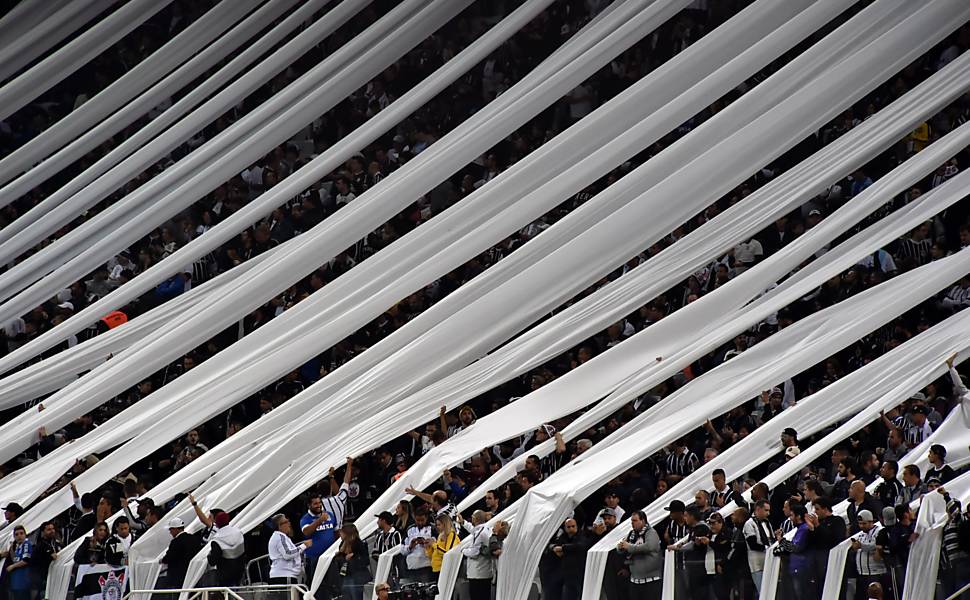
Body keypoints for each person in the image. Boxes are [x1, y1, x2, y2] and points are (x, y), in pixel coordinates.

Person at [617, 510, 662, 599]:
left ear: (643, 520)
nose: (632, 523)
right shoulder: (631, 534)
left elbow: (649, 547)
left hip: (651, 580)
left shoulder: (651, 532)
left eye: (635, 521)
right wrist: (620, 547)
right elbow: (623, 548)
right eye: (631, 521)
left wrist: (629, 547)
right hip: (635, 580)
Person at [300, 494, 336, 591]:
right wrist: (320, 520)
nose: (318, 505)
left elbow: (336, 532)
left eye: (319, 502)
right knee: (317, 587)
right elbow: (306, 532)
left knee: (333, 585)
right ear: (309, 505)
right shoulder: (305, 519)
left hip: (330, 556)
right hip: (314, 558)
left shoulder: (330, 515)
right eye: (315, 503)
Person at [267, 514, 311, 586]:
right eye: (286, 521)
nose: (289, 524)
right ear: (280, 526)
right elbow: (288, 554)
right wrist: (304, 546)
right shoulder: (280, 537)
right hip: (284, 576)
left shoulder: (280, 537)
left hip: (283, 575)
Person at [851, 510, 886, 600]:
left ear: (871, 521)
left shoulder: (880, 531)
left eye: (864, 523)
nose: (861, 526)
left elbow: (876, 546)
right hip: (862, 573)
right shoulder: (860, 534)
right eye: (860, 523)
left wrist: (861, 546)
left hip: (876, 572)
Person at [161, 517, 203, 588]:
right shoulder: (194, 539)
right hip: (193, 575)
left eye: (171, 529)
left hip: (178, 577)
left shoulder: (176, 542)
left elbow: (169, 557)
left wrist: (162, 560)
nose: (170, 532)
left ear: (176, 529)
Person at [461, 510, 494, 600]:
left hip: (478, 574)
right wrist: (463, 522)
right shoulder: (485, 529)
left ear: (475, 519)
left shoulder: (481, 533)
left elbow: (475, 553)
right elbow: (474, 531)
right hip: (483, 573)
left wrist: (463, 550)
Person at [208, 512, 246, 587]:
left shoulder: (216, 539)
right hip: (240, 571)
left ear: (216, 523)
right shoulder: (238, 532)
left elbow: (213, 561)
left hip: (224, 575)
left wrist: (209, 556)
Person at [743, 500, 773, 594]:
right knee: (762, 591)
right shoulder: (749, 524)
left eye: (769, 510)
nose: (768, 513)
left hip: (769, 561)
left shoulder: (767, 523)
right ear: (758, 509)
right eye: (766, 510)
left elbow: (771, 539)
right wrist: (767, 548)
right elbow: (752, 544)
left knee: (771, 591)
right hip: (757, 564)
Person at [336, 524, 370, 600]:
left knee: (356, 596)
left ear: (347, 533)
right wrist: (341, 557)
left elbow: (365, 560)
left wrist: (353, 558)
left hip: (357, 577)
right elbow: (341, 560)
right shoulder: (342, 544)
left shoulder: (359, 544)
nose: (340, 534)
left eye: (341, 532)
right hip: (346, 575)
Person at [30, 521, 62, 600]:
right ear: (43, 532)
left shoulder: (58, 543)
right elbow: (34, 562)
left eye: (53, 529)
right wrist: (48, 557)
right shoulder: (39, 546)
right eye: (49, 529)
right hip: (44, 579)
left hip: (58, 576)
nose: (52, 531)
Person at [401, 509, 434, 582]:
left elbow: (437, 545)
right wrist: (410, 546)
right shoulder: (409, 529)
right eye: (417, 520)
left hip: (426, 566)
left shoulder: (432, 528)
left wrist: (426, 543)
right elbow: (402, 550)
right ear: (414, 518)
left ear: (426, 518)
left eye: (422, 520)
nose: (420, 522)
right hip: (412, 567)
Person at [372, 511, 403, 582]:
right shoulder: (379, 536)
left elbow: (399, 551)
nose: (377, 522)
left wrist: (388, 560)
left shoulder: (396, 534)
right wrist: (382, 559)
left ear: (384, 521)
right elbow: (374, 552)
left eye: (379, 520)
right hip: (382, 569)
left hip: (394, 570)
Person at [3, 526, 31, 600]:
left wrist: (12, 566)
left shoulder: (26, 544)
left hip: (23, 581)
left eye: (21, 533)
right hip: (16, 582)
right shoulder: (18, 547)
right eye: (16, 534)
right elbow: (15, 559)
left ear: (25, 534)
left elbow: (26, 560)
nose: (19, 536)